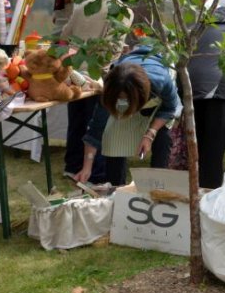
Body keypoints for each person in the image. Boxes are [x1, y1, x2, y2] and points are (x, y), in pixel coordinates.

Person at [75, 45, 179, 187]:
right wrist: (86, 168)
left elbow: (169, 109)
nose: (122, 102)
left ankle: (157, 189)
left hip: (158, 95)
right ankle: (116, 189)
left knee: (163, 139)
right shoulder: (111, 87)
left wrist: (149, 134)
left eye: (126, 99)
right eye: (119, 99)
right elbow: (96, 130)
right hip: (130, 74)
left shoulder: (161, 81)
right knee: (111, 137)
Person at [60, 0, 133, 185]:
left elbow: (65, 34)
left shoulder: (84, 5)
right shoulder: (123, 10)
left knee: (76, 119)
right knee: (96, 124)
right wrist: (106, 70)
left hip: (73, 70)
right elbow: (113, 47)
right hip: (96, 73)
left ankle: (72, 166)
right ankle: (93, 174)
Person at [185, 4, 225, 190]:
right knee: (215, 140)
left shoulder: (195, 28)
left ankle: (194, 181)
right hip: (215, 89)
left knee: (197, 136)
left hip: (190, 84)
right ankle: (211, 186)